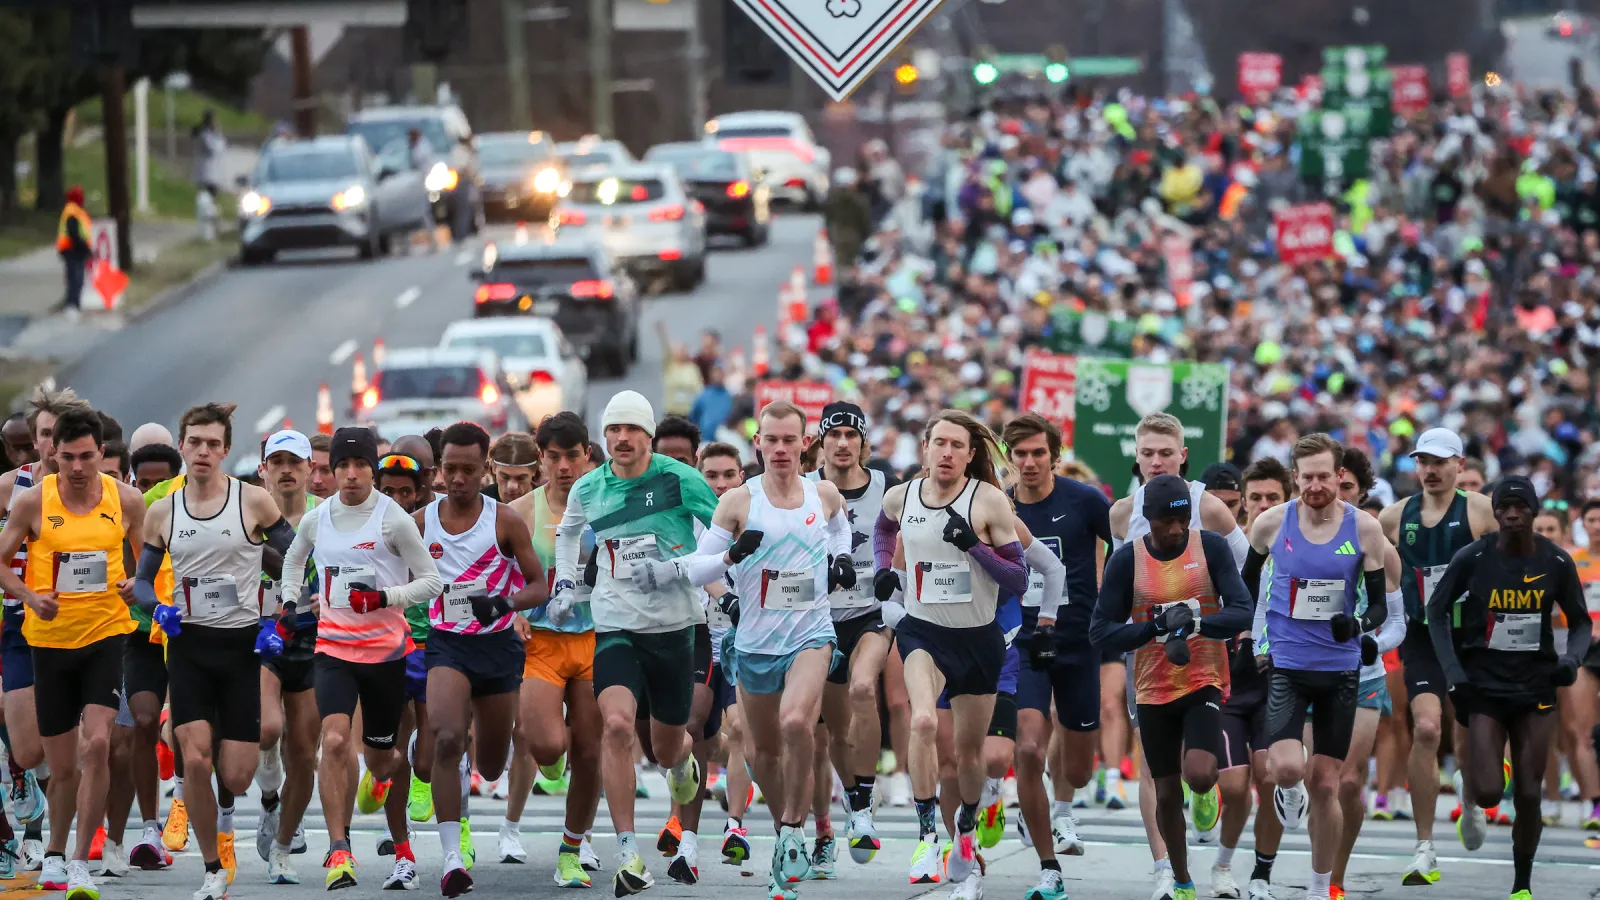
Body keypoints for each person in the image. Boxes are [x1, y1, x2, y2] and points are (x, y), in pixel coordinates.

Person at [675, 399, 851, 899]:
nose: (779, 449)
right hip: (753, 642)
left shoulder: (824, 494)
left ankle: (794, 825)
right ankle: (785, 835)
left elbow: (840, 530)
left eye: (788, 440)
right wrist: (732, 555)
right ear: (759, 444)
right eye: (770, 440)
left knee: (798, 723)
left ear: (804, 443)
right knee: (758, 753)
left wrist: (840, 560)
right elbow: (696, 568)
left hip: (811, 634)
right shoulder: (737, 502)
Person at [550, 391, 718, 896]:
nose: (622, 439)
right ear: (605, 438)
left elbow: (723, 538)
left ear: (647, 436)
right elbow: (567, 534)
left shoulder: (679, 478)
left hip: (674, 628)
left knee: (666, 749)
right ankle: (629, 852)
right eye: (613, 430)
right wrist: (565, 582)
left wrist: (676, 570)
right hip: (615, 624)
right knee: (618, 725)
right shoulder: (588, 487)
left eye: (631, 430)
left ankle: (683, 761)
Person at [133, 403, 296, 900]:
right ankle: (211, 868)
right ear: (182, 446)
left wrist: (280, 623)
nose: (203, 451)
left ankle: (227, 816)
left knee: (236, 773)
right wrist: (158, 607)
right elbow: (141, 582)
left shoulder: (254, 502)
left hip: (243, 648)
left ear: (226, 450)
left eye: (212, 444)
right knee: (196, 759)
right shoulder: (162, 511)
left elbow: (296, 562)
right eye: (194, 442)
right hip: (189, 648)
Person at [278, 426, 443, 890]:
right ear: (330, 472)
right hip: (333, 650)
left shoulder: (392, 519)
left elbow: (431, 581)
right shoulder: (319, 518)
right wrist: (291, 602)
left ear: (372, 469)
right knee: (332, 741)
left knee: (380, 759)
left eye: (360, 467)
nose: (350, 476)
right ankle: (339, 849)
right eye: (342, 467)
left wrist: (385, 597)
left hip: (386, 654)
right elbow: (294, 560)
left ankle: (390, 770)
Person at [871, 410, 1028, 895]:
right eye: (939, 442)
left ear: (970, 454)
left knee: (967, 754)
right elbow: (883, 529)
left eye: (957, 445)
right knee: (921, 722)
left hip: (977, 640)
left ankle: (965, 829)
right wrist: (883, 570)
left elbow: (1019, 579)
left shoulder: (990, 502)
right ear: (925, 447)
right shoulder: (902, 496)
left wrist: (975, 547)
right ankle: (925, 835)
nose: (946, 452)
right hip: (924, 632)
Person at [0, 407, 148, 899]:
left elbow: (150, 561)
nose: (80, 467)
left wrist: (136, 586)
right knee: (61, 767)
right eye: (69, 458)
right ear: (52, 454)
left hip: (106, 636)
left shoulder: (125, 500)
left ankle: (82, 861)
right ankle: (57, 852)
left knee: (99, 745)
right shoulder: (32, 503)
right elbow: (2, 564)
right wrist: (29, 597)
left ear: (103, 454)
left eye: (88, 456)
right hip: (50, 643)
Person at [1090, 474, 1255, 900]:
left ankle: (1205, 791)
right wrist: (1155, 627)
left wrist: (1198, 623)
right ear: (1149, 518)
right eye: (1167, 522)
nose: (1177, 530)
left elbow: (1242, 610)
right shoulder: (1127, 560)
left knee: (1199, 774)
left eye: (1183, 521)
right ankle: (1182, 879)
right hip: (1151, 686)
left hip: (1204, 678)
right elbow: (1101, 632)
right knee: (1164, 790)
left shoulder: (1211, 548)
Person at [1427, 475, 1592, 900]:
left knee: (1529, 793)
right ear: (1495, 512)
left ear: (1535, 511)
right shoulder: (1474, 557)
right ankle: (1479, 778)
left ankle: (1522, 884)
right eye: (1505, 507)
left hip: (1536, 685)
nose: (1513, 514)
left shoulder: (1555, 562)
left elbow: (1580, 622)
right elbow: (1437, 610)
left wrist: (1570, 660)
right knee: (1486, 794)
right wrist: (1453, 673)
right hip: (1483, 684)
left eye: (1521, 507)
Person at [1243, 435, 1389, 900]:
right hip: (1288, 663)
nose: (1316, 486)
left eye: (1324, 476)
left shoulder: (1364, 529)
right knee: (1285, 770)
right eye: (1306, 477)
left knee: (1327, 784)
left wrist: (1359, 623)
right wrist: (1251, 636)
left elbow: (1381, 609)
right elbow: (1245, 587)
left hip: (1341, 670)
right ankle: (1291, 792)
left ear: (1340, 475)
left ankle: (1319, 886)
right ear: (1295, 478)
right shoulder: (1270, 523)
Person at [419, 422, 549, 897]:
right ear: (439, 470)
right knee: (448, 738)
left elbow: (538, 585)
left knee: (491, 768)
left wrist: (506, 604)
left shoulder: (504, 521)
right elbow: (386, 565)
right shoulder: (422, 522)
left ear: (484, 469)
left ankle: (493, 745)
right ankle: (452, 858)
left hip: (497, 647)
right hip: (447, 644)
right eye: (449, 469)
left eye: (468, 470)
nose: (458, 478)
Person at [1377, 427, 1496, 885]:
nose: (1429, 470)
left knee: (1466, 740)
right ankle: (1424, 848)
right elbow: (1362, 555)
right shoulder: (1393, 517)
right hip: (1422, 634)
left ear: (1459, 465)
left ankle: (1468, 798)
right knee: (1425, 727)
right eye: (1422, 461)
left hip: (1471, 636)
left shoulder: (1482, 511)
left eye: (1440, 462)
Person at [1004, 412, 1109, 900]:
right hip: (1023, 644)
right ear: (1009, 458)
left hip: (1078, 642)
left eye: (1038, 453)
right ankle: (1048, 865)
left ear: (1055, 456)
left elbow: (1127, 550)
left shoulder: (1085, 500)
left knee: (1080, 769)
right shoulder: (998, 506)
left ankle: (1060, 807)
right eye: (1020, 453)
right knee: (1026, 747)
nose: (1029, 463)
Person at [506, 412, 603, 886]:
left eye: (573, 455)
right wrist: (515, 612)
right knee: (545, 744)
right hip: (541, 643)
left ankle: (571, 848)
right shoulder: (523, 511)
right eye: (554, 456)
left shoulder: (608, 506)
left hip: (597, 641)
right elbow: (498, 574)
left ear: (587, 456)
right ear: (541, 459)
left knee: (590, 752)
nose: (564, 466)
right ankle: (553, 758)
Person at [805, 402, 896, 865]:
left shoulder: (885, 486)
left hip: (869, 613)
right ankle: (853, 800)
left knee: (864, 688)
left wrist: (894, 579)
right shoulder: (802, 490)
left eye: (850, 434)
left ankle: (864, 802)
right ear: (821, 441)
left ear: (863, 441)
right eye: (834, 434)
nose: (842, 443)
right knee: (834, 730)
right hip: (819, 617)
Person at [1326, 450, 1406, 900]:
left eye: (1348, 486)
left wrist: (1374, 643)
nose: (1338, 493)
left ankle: (1335, 878)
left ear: (1360, 491)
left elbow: (1397, 623)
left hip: (1365, 674)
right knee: (1318, 778)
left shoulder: (1378, 545)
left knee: (1350, 780)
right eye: (1331, 482)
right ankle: (1321, 871)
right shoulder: (1295, 536)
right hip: (1309, 672)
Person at [1213, 457, 1292, 900]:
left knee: (1272, 777)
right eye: (1256, 498)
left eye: (1273, 498)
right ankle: (1223, 863)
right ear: (1243, 503)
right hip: (1226, 683)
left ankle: (1261, 875)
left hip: (1276, 684)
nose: (1263, 506)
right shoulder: (1224, 548)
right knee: (1234, 785)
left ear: (1287, 500)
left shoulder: (1301, 548)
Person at [253, 430, 321, 884]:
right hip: (262, 634)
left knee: (304, 752)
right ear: (263, 471)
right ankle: (269, 793)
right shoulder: (247, 514)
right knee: (267, 728)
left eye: (294, 461)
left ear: (311, 470)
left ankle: (283, 845)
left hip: (316, 639)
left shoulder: (327, 516)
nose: (286, 469)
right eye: (276, 461)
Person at [57, 186, 91, 320]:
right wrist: (85, 248)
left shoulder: (74, 211)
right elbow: (74, 234)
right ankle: (72, 305)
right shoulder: (73, 212)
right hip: (72, 250)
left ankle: (73, 304)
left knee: (74, 278)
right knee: (76, 278)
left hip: (72, 250)